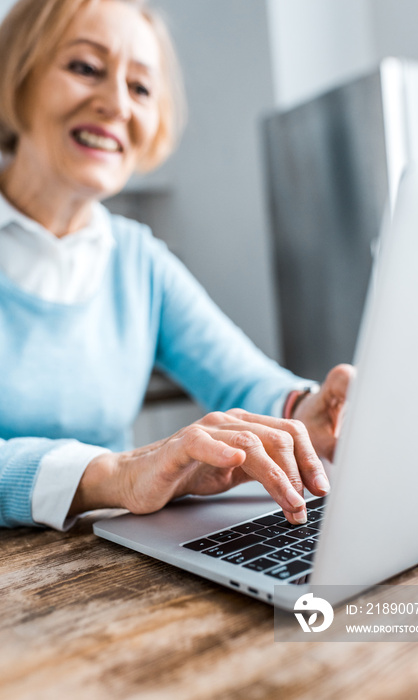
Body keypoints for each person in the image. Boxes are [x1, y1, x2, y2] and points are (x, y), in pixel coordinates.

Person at [0, 0, 353, 532]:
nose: (116, 103)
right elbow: (116, 477)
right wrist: (114, 473)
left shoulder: (140, 261)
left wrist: (308, 412)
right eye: (85, 68)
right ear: (16, 76)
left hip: (96, 570)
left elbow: (241, 378)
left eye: (141, 87)